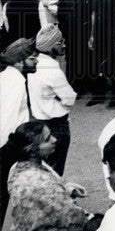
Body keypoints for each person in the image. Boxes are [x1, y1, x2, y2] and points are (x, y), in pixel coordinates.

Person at [3, 120, 90, 231]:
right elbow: (73, 218)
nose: (54, 140)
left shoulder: (20, 167)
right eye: (47, 139)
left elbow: (44, 197)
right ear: (32, 150)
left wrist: (64, 190)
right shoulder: (37, 182)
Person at [28, 24, 77, 175]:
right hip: (57, 125)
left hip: (38, 120)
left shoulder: (34, 64)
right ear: (50, 46)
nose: (64, 45)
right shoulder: (53, 70)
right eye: (60, 42)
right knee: (55, 170)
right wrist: (60, 105)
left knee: (45, 167)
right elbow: (70, 98)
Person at [0, 38, 39, 226]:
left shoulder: (8, 77)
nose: (36, 61)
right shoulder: (15, 82)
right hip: (6, 148)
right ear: (18, 62)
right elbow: (7, 119)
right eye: (32, 58)